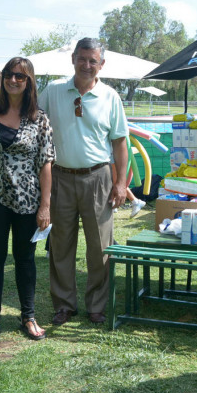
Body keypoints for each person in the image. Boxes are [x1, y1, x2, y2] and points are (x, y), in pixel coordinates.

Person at [39, 37, 129, 325]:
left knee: (100, 247)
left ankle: (97, 306)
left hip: (99, 178)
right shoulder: (53, 91)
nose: (87, 65)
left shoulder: (110, 97)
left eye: (93, 60)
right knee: (60, 245)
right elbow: (31, 117)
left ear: (101, 64)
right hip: (61, 177)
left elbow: (119, 143)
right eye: (83, 58)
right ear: (73, 59)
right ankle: (64, 305)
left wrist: (121, 184)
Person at [0, 57, 54, 344]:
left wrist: (45, 205)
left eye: (20, 76)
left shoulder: (39, 118)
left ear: (29, 80)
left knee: (25, 258)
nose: (14, 80)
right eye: (9, 74)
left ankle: (28, 316)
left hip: (27, 199)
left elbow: (45, 163)